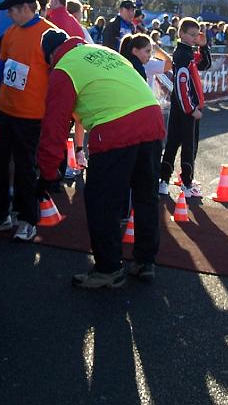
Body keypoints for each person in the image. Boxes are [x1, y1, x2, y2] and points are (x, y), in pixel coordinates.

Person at [37, 29, 165, 287]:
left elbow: (55, 126)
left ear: (51, 56)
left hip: (114, 127)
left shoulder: (63, 69)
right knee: (145, 195)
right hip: (152, 118)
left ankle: (108, 268)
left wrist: (47, 173)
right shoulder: (101, 50)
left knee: (101, 200)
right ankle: (145, 261)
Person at [0, 0, 55, 242]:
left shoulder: (50, 35)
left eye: (11, 9)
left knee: (25, 169)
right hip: (4, 112)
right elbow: (1, 66)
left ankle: (27, 220)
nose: (8, 14)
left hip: (31, 115)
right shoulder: (10, 33)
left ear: (25, 8)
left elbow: (58, 76)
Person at [159, 17, 211, 198]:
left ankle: (164, 180)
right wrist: (191, 109)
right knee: (188, 146)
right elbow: (181, 87)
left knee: (173, 143)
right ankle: (186, 184)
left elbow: (205, 64)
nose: (195, 38)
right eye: (192, 35)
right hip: (185, 109)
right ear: (181, 34)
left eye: (197, 35)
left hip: (181, 108)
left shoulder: (188, 52)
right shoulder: (182, 55)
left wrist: (204, 47)